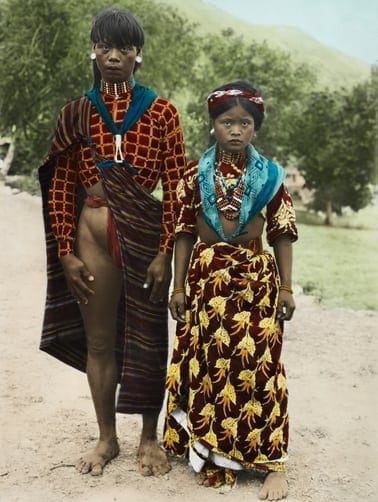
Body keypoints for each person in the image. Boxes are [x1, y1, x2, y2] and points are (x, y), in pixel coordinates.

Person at [38, 8, 187, 477]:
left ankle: (149, 437)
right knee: (100, 341)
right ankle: (107, 439)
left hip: (145, 237)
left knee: (148, 338)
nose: (114, 56)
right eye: (105, 47)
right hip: (91, 235)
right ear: (94, 50)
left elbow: (178, 185)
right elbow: (62, 185)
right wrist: (65, 250)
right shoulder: (76, 112)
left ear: (138, 54)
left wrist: (166, 251)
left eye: (124, 48)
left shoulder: (161, 111)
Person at [164, 80, 298, 500]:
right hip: (205, 281)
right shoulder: (194, 174)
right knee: (207, 362)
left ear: (255, 127)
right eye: (227, 122)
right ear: (213, 126)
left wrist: (287, 288)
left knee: (259, 364)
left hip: (255, 282)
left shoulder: (271, 178)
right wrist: (179, 285)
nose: (236, 130)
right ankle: (213, 451)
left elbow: (282, 234)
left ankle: (272, 462)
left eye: (244, 123)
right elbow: (184, 233)